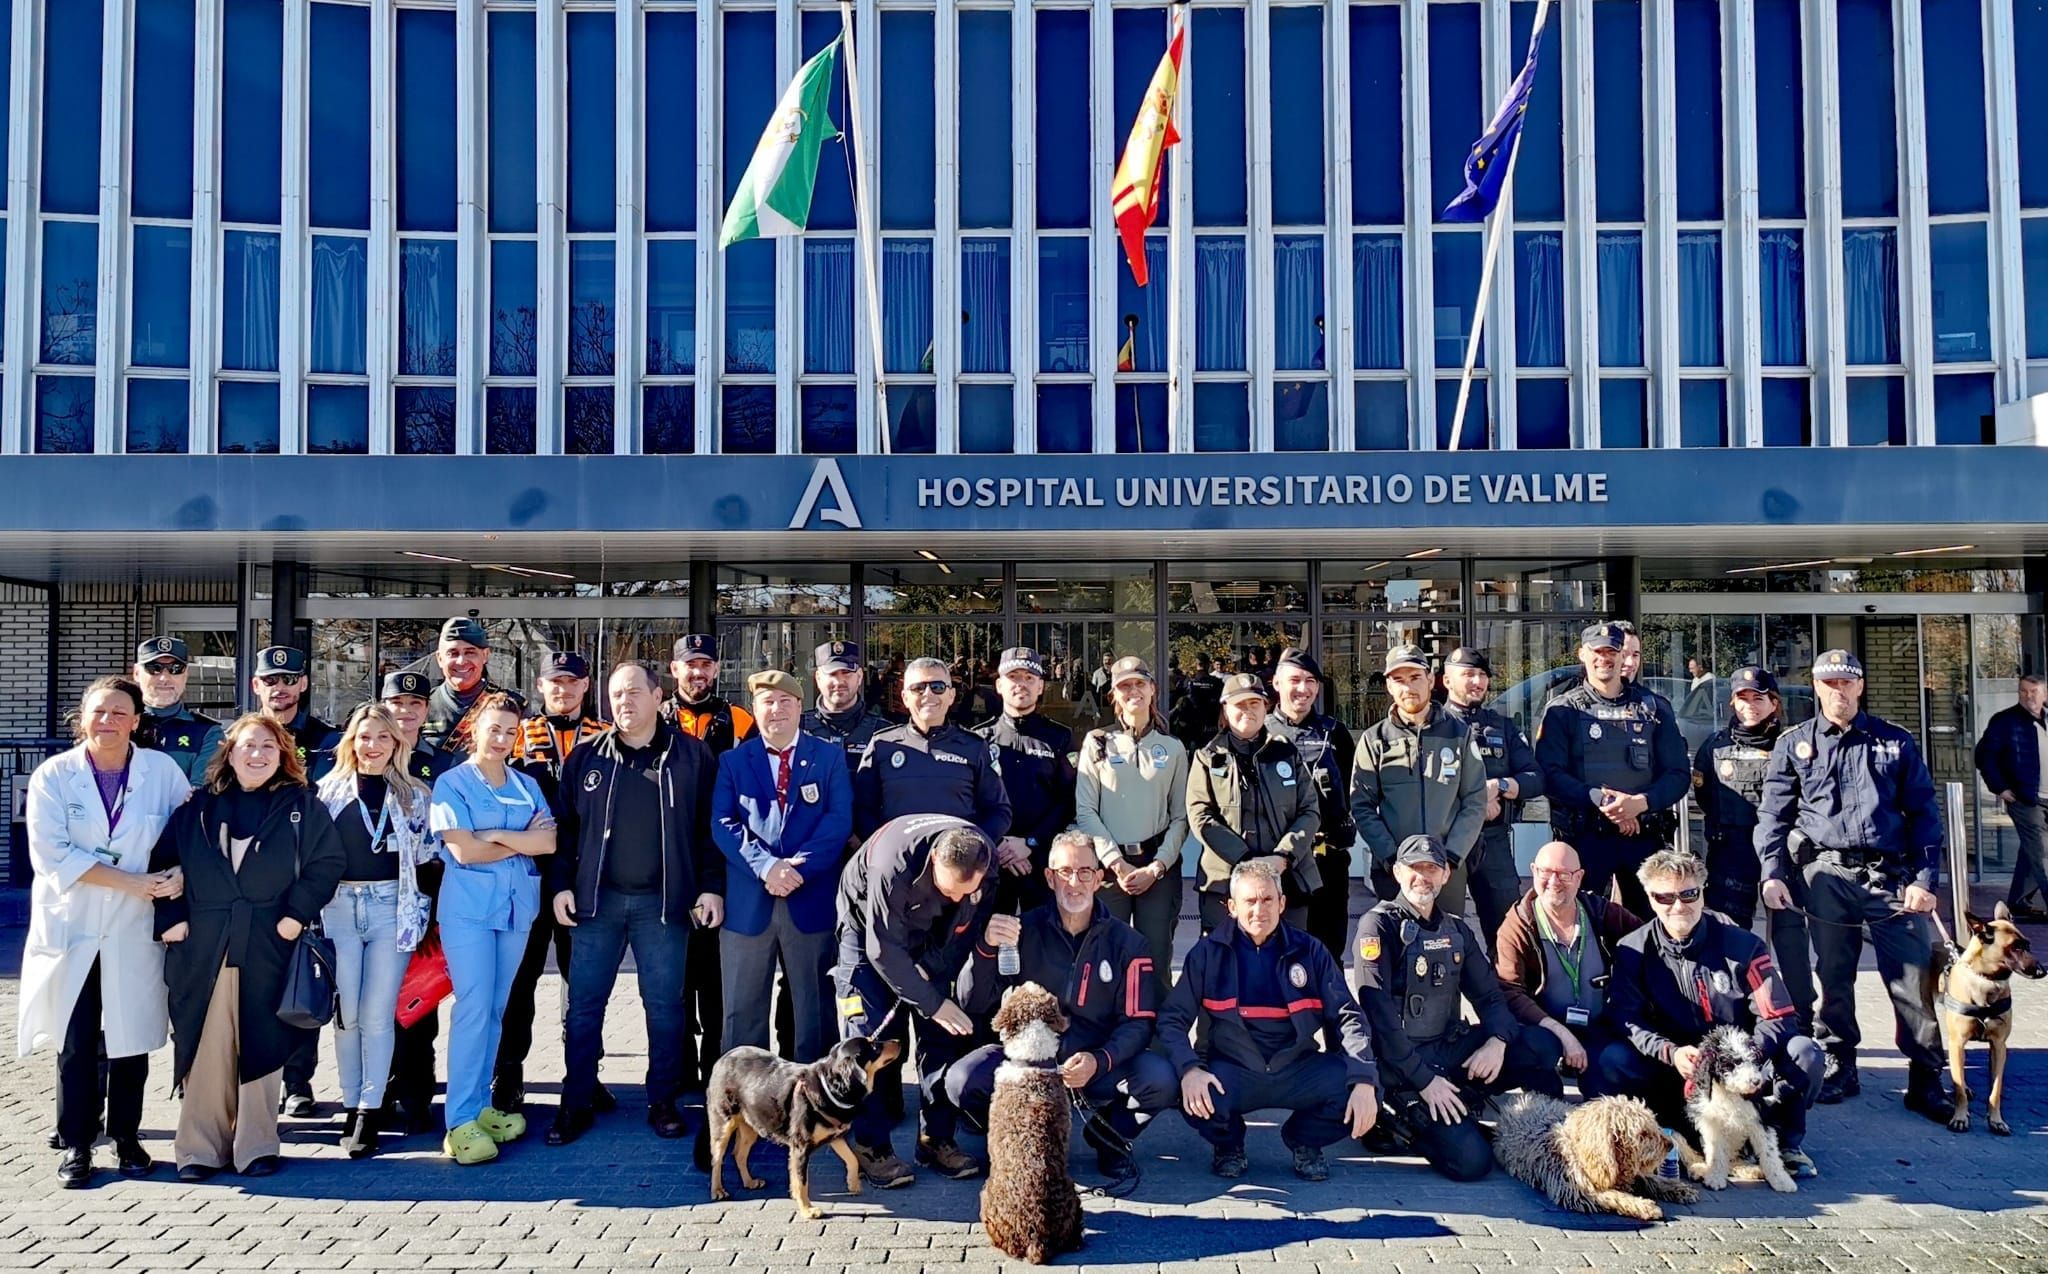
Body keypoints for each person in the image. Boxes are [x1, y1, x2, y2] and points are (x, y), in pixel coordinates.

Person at [1754, 649, 1950, 1121]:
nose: (1837, 691)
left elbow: (1924, 813)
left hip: (1891, 877)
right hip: (1826, 875)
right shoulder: (1795, 743)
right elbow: (1774, 815)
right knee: (1834, 975)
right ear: (1816, 687)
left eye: (1846, 682)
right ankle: (1841, 1063)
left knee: (1911, 978)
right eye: (1829, 683)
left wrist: (1925, 880)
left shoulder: (1894, 741)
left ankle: (1926, 1077)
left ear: (1860, 686)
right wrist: (1771, 873)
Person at [151, 713, 345, 1181]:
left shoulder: (302, 806)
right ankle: (199, 1148)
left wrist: (295, 915)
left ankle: (257, 1145)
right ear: (229, 754)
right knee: (205, 1043)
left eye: (268, 747)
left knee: (262, 1040)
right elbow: (163, 862)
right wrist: (170, 919)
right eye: (247, 746)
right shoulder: (198, 807)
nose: (257, 755)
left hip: (269, 940)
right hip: (204, 943)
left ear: (283, 755)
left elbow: (327, 863)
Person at [21, 677, 192, 1187]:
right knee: (76, 1040)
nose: (108, 721)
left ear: (136, 721)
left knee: (129, 1036)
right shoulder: (55, 775)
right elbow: (52, 855)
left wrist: (181, 873)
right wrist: (133, 882)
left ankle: (127, 1137)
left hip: (134, 927)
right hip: (73, 925)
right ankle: (77, 1142)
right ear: (83, 718)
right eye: (99, 711)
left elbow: (190, 833)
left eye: (120, 713)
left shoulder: (161, 771)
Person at [546, 663, 724, 1147]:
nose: (624, 702)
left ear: (657, 696)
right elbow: (564, 831)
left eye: (633, 692)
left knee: (665, 1007)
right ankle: (576, 1101)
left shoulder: (691, 757)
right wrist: (561, 885)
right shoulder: (586, 757)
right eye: (616, 694)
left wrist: (711, 886)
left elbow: (710, 829)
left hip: (663, 906)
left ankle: (663, 1100)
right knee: (584, 1006)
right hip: (596, 905)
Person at [945, 830, 1181, 1182]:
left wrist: (1099, 1060)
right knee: (961, 1080)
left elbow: (1138, 1023)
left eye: (1084, 872)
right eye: (1065, 872)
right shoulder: (1022, 931)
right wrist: (985, 950)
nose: (1074, 882)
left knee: (1160, 1078)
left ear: (1099, 879)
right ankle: (1014, 1134)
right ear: (1049, 878)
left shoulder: (1129, 944)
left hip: (1095, 1062)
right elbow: (972, 1001)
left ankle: (1108, 1136)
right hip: (1028, 1063)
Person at [1592, 850, 1822, 1179]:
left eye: (1688, 894)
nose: (1678, 906)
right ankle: (1658, 1137)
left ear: (1702, 892)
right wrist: (1669, 1052)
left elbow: (1778, 1015)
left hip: (1742, 1066)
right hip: (1676, 1069)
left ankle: (1784, 1142)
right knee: (1609, 1059)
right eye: (1665, 897)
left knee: (1805, 1053)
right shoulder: (1633, 950)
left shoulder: (1744, 945)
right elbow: (1628, 1020)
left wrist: (1740, 1059)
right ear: (1650, 898)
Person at [1351, 834, 1563, 1182]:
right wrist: (1425, 1081)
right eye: (1415, 868)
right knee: (1472, 1163)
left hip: (1447, 1048)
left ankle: (1507, 1116)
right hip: (1402, 1067)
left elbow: (1490, 997)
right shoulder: (1378, 926)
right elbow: (1380, 1020)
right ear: (1398, 872)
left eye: (1432, 868)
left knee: (1542, 1045)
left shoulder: (1456, 929)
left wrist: (1497, 1041)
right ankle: (1397, 1119)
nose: (1423, 877)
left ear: (1446, 875)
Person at [1157, 859, 1379, 1182]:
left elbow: (1348, 1016)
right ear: (1232, 907)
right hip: (1234, 1070)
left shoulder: (1310, 951)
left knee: (1366, 1087)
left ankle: (1304, 1140)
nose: (1259, 910)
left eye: (1267, 900)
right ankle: (1229, 1144)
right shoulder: (1207, 954)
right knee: (1190, 1092)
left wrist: (1363, 1079)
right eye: (1249, 901)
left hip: (1297, 1069)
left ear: (1282, 903)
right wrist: (1190, 1069)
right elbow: (1172, 1019)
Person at [832, 813, 997, 1187]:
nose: (957, 897)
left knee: (941, 1035)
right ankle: (872, 1147)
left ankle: (936, 1139)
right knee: (869, 1040)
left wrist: (931, 968)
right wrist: (931, 1002)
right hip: (868, 931)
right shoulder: (891, 865)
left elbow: (968, 928)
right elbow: (882, 950)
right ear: (936, 858)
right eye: (950, 888)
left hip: (933, 933)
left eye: (965, 891)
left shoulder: (984, 859)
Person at [429, 693, 556, 1165]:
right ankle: (459, 1120)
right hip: (469, 912)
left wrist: (497, 836)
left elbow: (549, 841)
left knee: (497, 1010)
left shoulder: (526, 784)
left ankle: (481, 1106)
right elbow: (463, 852)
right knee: (474, 1007)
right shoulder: (452, 783)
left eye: (509, 731)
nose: (501, 739)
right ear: (474, 729)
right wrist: (522, 841)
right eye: (493, 729)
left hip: (515, 910)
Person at [313, 704, 436, 1159]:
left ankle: (370, 1108)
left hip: (391, 909)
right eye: (365, 737)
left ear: (396, 743)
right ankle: (350, 1103)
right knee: (347, 1014)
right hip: (339, 907)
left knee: (378, 1014)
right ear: (351, 741)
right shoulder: (326, 792)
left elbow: (428, 858)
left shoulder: (414, 795)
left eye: (383, 737)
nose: (373, 746)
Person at [713, 669, 851, 1064]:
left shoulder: (828, 756)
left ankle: (815, 1095)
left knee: (816, 1011)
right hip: (748, 903)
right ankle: (741, 1095)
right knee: (741, 1011)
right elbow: (722, 823)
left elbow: (838, 820)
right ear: (755, 709)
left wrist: (798, 868)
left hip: (810, 899)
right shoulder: (733, 761)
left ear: (799, 707)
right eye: (767, 702)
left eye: (785, 702)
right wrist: (766, 867)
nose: (776, 710)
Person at [495, 650, 611, 1114]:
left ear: (586, 685)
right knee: (519, 981)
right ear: (541, 686)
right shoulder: (518, 735)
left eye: (571, 681)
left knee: (582, 983)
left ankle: (585, 1074)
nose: (563, 690)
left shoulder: (606, 736)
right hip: (527, 875)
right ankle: (508, 1074)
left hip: (585, 876)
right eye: (554, 682)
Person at [1692, 666, 1817, 1031]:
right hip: (1731, 854)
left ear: (1774, 702)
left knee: (1790, 939)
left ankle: (1800, 1021)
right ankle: (1734, 1018)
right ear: (1732, 703)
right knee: (1731, 938)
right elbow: (1705, 796)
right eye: (1742, 698)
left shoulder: (1794, 745)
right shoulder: (1715, 747)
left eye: (1758, 698)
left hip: (1782, 857)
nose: (1750, 705)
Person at [1535, 622, 1689, 916]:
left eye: (1612, 652)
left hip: (1644, 837)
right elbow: (1550, 775)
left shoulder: (1654, 708)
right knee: (1582, 922)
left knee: (1650, 924)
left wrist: (1640, 803)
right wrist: (1604, 801)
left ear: (1621, 656)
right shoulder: (1563, 710)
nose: (1604, 658)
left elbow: (1678, 775)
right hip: (1586, 838)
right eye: (1597, 652)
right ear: (1583, 654)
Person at [252, 644, 343, 1116]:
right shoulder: (241, 737)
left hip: (304, 879)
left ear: (303, 684)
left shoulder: (330, 741)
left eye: (289, 679)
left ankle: (298, 1082)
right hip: (250, 883)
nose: (280, 688)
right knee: (254, 988)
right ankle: (255, 1083)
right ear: (256, 685)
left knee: (301, 979)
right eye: (271, 680)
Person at [665, 633, 756, 1098]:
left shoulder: (739, 719)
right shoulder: (658, 717)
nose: (697, 672)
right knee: (673, 979)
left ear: (716, 670)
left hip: (724, 861)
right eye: (689, 664)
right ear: (674, 669)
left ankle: (716, 1075)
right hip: (670, 861)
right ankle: (678, 1072)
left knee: (718, 980)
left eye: (705, 664)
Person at [377, 668, 466, 1134]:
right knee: (375, 1001)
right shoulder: (367, 753)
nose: (406, 712)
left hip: (427, 892)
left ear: (426, 710)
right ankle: (378, 1092)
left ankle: (416, 1093)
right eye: (397, 704)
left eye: (414, 705)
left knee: (420, 998)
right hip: (377, 892)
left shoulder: (444, 761)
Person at [1073, 655, 1188, 996]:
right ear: (1113, 695)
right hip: (1110, 870)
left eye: (1140, 683)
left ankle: (1159, 1028)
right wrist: (1116, 863)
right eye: (1125, 686)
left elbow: (1181, 816)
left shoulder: (1173, 748)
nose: (1133, 691)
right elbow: (1085, 811)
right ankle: (1109, 1027)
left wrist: (1157, 866)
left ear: (1153, 690)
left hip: (1158, 869)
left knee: (1156, 959)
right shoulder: (1097, 743)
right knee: (1106, 959)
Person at [1491, 841, 1641, 1094]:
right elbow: (1510, 991)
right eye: (1546, 872)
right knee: (1537, 1053)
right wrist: (1560, 1032)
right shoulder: (1517, 925)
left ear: (1579, 877)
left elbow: (1648, 941)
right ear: (1533, 871)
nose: (1553, 881)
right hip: (1545, 1028)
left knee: (1616, 1064)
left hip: (1599, 1025)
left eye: (1563, 874)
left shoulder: (1600, 913)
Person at [1350, 645, 1488, 906]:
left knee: (1447, 930)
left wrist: (1452, 856)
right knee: (1394, 930)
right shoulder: (1374, 739)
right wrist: (1391, 857)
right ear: (1389, 686)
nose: (1408, 687)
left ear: (1430, 679)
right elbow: (1362, 806)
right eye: (1399, 680)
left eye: (1415, 678)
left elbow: (1475, 800)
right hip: (1394, 870)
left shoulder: (1459, 734)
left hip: (1446, 870)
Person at [1187, 673, 1321, 934]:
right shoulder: (1207, 757)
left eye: (1254, 703)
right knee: (1226, 955)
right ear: (1225, 709)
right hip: (1225, 880)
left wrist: (1283, 856)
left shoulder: (1286, 752)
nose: (1248, 710)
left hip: (1287, 877)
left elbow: (1309, 810)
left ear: (1265, 708)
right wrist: (1245, 861)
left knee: (1290, 955)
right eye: (1240, 704)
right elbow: (1201, 816)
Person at [1439, 647, 1543, 951]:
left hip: (1493, 841)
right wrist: (1476, 799)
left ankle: (1504, 983)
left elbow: (1535, 778)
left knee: (1507, 930)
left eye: (1482, 674)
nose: (1478, 681)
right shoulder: (1433, 726)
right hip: (1447, 841)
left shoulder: (1501, 726)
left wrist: (1499, 785)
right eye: (1469, 674)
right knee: (1442, 933)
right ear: (1447, 680)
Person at [854, 657, 1013, 845]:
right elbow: (862, 810)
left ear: (951, 695)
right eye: (918, 688)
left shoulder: (974, 747)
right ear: (905, 697)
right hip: (897, 860)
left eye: (938, 687)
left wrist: (972, 849)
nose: (928, 694)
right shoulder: (882, 745)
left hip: (958, 860)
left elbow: (999, 811)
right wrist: (884, 848)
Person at [1268, 648, 1359, 963]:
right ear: (1276, 683)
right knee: (1278, 950)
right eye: (1294, 680)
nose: (1303, 688)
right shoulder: (1262, 732)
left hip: (1327, 858)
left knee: (1328, 950)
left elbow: (1351, 789)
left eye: (1310, 681)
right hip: (1280, 860)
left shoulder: (1334, 732)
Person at [974, 646, 1077, 913]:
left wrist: (1030, 842)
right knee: (991, 936)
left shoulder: (1060, 737)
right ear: (999, 685)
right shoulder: (979, 740)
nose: (1021, 684)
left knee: (1044, 936)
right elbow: (970, 800)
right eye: (1014, 677)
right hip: (993, 858)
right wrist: (1000, 844)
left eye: (1029, 678)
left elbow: (1068, 801)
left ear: (1040, 686)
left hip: (1042, 860)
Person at [1974, 674, 2048, 922]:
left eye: (2034, 691)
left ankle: (2019, 902)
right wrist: (2000, 788)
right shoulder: (2005, 721)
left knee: (2031, 852)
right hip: (2025, 799)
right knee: (2042, 852)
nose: (2029, 696)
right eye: (2023, 691)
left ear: (2045, 694)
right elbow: (1984, 756)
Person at [422, 617, 522, 756]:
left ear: (485, 655)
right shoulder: (423, 705)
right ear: (440, 658)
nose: (461, 661)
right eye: (453, 653)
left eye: (470, 652)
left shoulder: (514, 706)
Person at [132, 636, 222, 784]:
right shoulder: (121, 723)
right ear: (136, 673)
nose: (164, 678)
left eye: (175, 669)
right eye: (154, 668)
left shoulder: (206, 732)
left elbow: (201, 790)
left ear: (186, 675)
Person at [802, 639, 889, 780]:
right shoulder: (797, 731)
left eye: (846, 673)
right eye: (832, 674)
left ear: (859, 676)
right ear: (818, 678)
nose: (839, 682)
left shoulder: (883, 734)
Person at [1170, 653, 1224, 749]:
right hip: (1212, 726)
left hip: (1193, 726)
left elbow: (1181, 702)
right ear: (1208, 665)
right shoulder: (1217, 683)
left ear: (1196, 664)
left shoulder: (1189, 682)